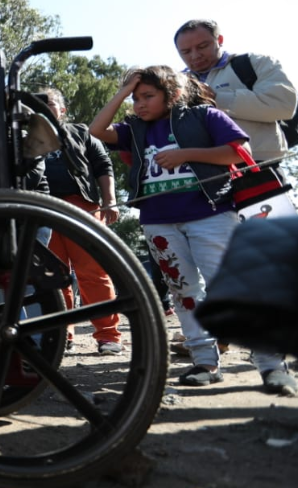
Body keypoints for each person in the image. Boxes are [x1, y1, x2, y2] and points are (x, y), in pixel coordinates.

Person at [89, 66, 295, 393]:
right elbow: (97, 130)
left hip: (210, 214)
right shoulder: (134, 128)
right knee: (183, 290)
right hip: (158, 220)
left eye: (147, 96)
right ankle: (205, 361)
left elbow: (240, 152)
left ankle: (272, 366)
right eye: (135, 97)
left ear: (172, 94)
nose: (139, 104)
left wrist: (186, 154)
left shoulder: (204, 116)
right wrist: (122, 93)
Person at [40, 88, 123, 355]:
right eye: (37, 103)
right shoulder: (22, 137)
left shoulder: (81, 132)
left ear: (62, 110)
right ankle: (63, 334)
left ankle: (108, 336)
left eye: (50, 103)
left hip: (82, 206)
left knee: (94, 272)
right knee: (52, 276)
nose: (43, 107)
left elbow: (102, 165)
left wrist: (109, 201)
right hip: (40, 210)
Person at [174, 19, 296, 164]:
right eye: (186, 52)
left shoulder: (255, 63)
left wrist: (216, 98)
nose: (195, 55)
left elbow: (283, 106)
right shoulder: (175, 83)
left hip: (257, 163)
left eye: (202, 46)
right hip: (200, 171)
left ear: (219, 40)